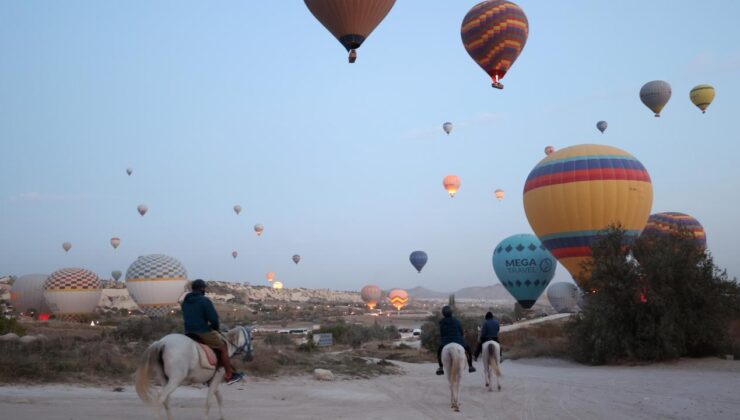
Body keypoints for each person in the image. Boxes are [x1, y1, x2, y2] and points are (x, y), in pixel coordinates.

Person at [181, 279, 244, 385]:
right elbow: (213, 319)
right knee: (223, 348)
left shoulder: (184, 302)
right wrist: (214, 327)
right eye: (204, 288)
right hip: (202, 331)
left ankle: (208, 375)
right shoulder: (204, 301)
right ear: (202, 289)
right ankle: (230, 374)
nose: (205, 290)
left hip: (188, 332)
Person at [436, 305, 476, 375]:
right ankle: (470, 366)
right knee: (468, 349)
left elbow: (442, 333)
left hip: (446, 341)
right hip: (458, 340)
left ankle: (440, 368)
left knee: (439, 352)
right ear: (451, 312)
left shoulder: (441, 322)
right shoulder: (456, 321)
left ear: (443, 313)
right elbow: (461, 332)